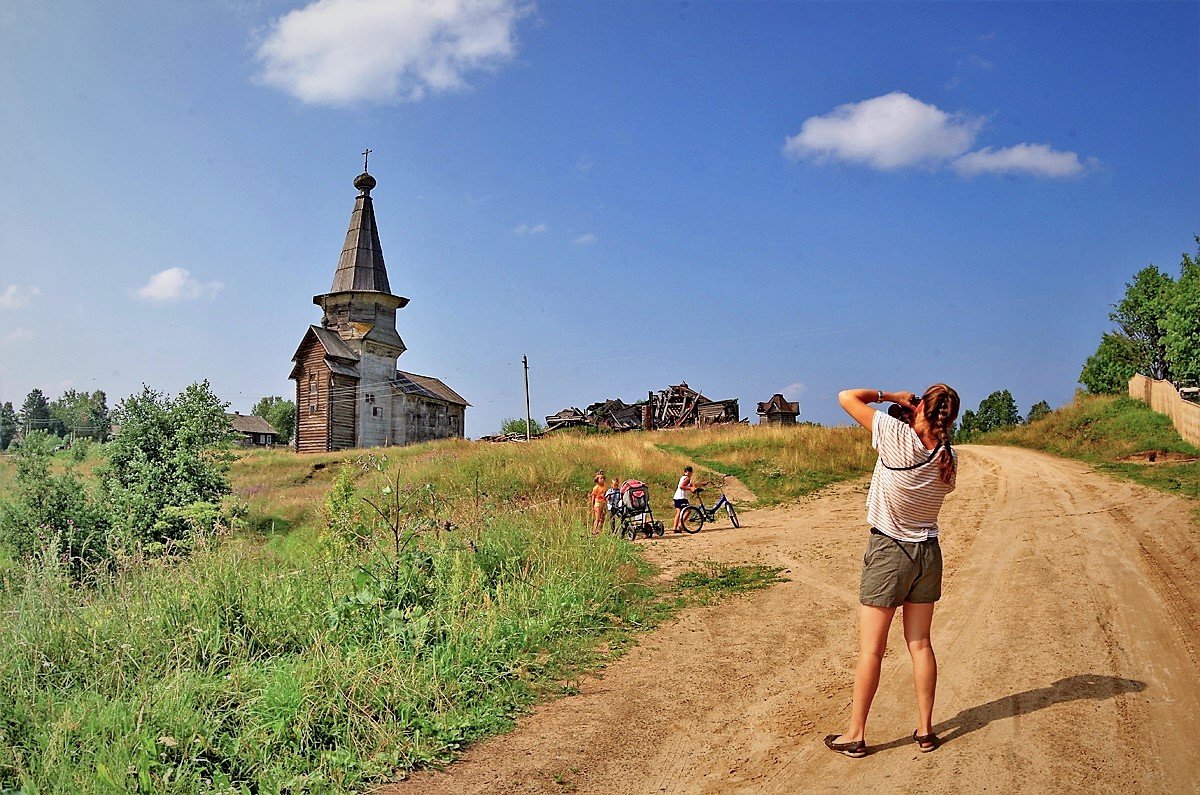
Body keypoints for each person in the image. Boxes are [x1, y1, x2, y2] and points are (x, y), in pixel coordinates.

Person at [824, 384, 960, 758]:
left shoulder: (896, 435)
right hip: (928, 553)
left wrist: (892, 397)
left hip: (889, 551)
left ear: (921, 410)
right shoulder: (948, 457)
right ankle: (926, 730)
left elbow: (846, 396)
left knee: (871, 650)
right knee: (920, 644)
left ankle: (855, 734)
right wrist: (919, 417)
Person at [671, 466, 697, 533]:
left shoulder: (683, 478)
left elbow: (692, 485)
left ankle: (675, 527)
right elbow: (682, 486)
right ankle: (680, 525)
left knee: (678, 512)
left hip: (676, 497)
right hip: (682, 497)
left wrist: (702, 484)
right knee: (688, 511)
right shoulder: (687, 478)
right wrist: (690, 489)